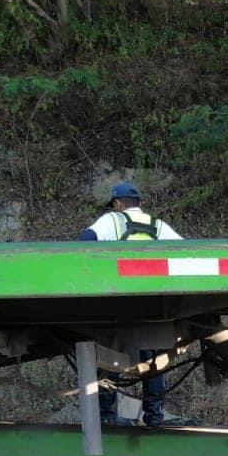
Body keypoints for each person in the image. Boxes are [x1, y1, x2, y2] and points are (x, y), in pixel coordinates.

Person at [80, 182, 183, 426]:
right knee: (153, 361)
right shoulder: (157, 225)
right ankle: (154, 417)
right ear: (140, 205)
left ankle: (106, 418)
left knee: (111, 355)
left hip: (119, 303)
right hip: (151, 305)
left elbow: (85, 242)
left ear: (117, 204)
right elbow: (183, 248)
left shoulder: (111, 220)